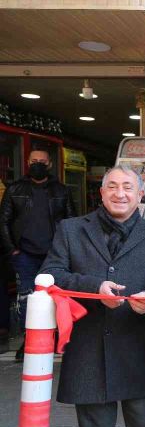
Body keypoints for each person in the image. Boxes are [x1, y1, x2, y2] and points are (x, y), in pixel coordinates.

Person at [40, 166, 145, 427]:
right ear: (101, 193)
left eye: (128, 187)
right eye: (111, 186)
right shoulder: (70, 229)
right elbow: (51, 273)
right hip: (86, 345)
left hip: (133, 343)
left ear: (140, 195)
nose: (119, 193)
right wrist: (93, 286)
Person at [0, 148, 75, 359]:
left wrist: (68, 250)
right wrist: (11, 249)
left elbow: (72, 222)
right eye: (34, 161)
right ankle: (30, 340)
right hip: (24, 254)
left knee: (58, 297)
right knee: (27, 298)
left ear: (49, 164)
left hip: (55, 254)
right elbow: (3, 221)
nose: (38, 164)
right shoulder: (15, 189)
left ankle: (59, 338)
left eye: (42, 161)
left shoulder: (61, 190)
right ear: (27, 162)